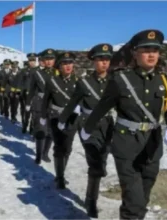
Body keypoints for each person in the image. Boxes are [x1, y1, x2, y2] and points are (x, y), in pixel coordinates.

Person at [81, 29, 167, 220]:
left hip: (152, 146)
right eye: (145, 50)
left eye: (155, 50)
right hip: (126, 145)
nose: (151, 54)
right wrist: (87, 129)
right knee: (134, 201)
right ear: (135, 53)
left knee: (142, 199)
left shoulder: (166, 81)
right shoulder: (121, 80)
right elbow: (101, 108)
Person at [58, 43, 114, 217]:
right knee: (95, 162)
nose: (104, 63)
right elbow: (73, 102)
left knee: (102, 159)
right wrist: (62, 120)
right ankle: (91, 201)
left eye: (106, 59)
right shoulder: (85, 83)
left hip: (108, 125)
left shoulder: (116, 82)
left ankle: (93, 189)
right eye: (100, 59)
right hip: (88, 125)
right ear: (93, 62)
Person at [40, 51, 80, 189]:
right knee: (59, 147)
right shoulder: (52, 82)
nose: (68, 66)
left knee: (68, 148)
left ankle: (61, 172)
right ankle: (60, 177)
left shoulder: (79, 81)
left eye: (70, 63)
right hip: (56, 118)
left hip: (73, 119)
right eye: (64, 63)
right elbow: (46, 100)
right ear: (59, 66)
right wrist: (43, 116)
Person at [26, 49, 53, 164]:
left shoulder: (57, 73)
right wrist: (28, 102)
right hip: (39, 103)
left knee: (51, 131)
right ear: (42, 61)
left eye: (51, 59)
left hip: (53, 104)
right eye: (46, 59)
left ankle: (45, 153)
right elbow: (32, 89)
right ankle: (38, 154)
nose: (48, 62)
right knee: (40, 131)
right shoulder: (37, 74)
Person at [21, 53, 37, 134]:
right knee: (26, 112)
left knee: (34, 113)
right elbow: (21, 82)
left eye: (33, 60)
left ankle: (32, 128)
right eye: (30, 60)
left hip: (35, 95)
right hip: (26, 95)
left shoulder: (38, 71)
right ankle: (24, 126)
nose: (32, 62)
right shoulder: (24, 71)